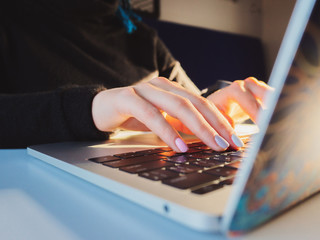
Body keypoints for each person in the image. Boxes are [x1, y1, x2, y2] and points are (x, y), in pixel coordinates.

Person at [0, 0, 273, 151]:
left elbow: (183, 99)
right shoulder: (11, 17)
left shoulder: (142, 37)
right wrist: (89, 108)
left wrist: (212, 105)